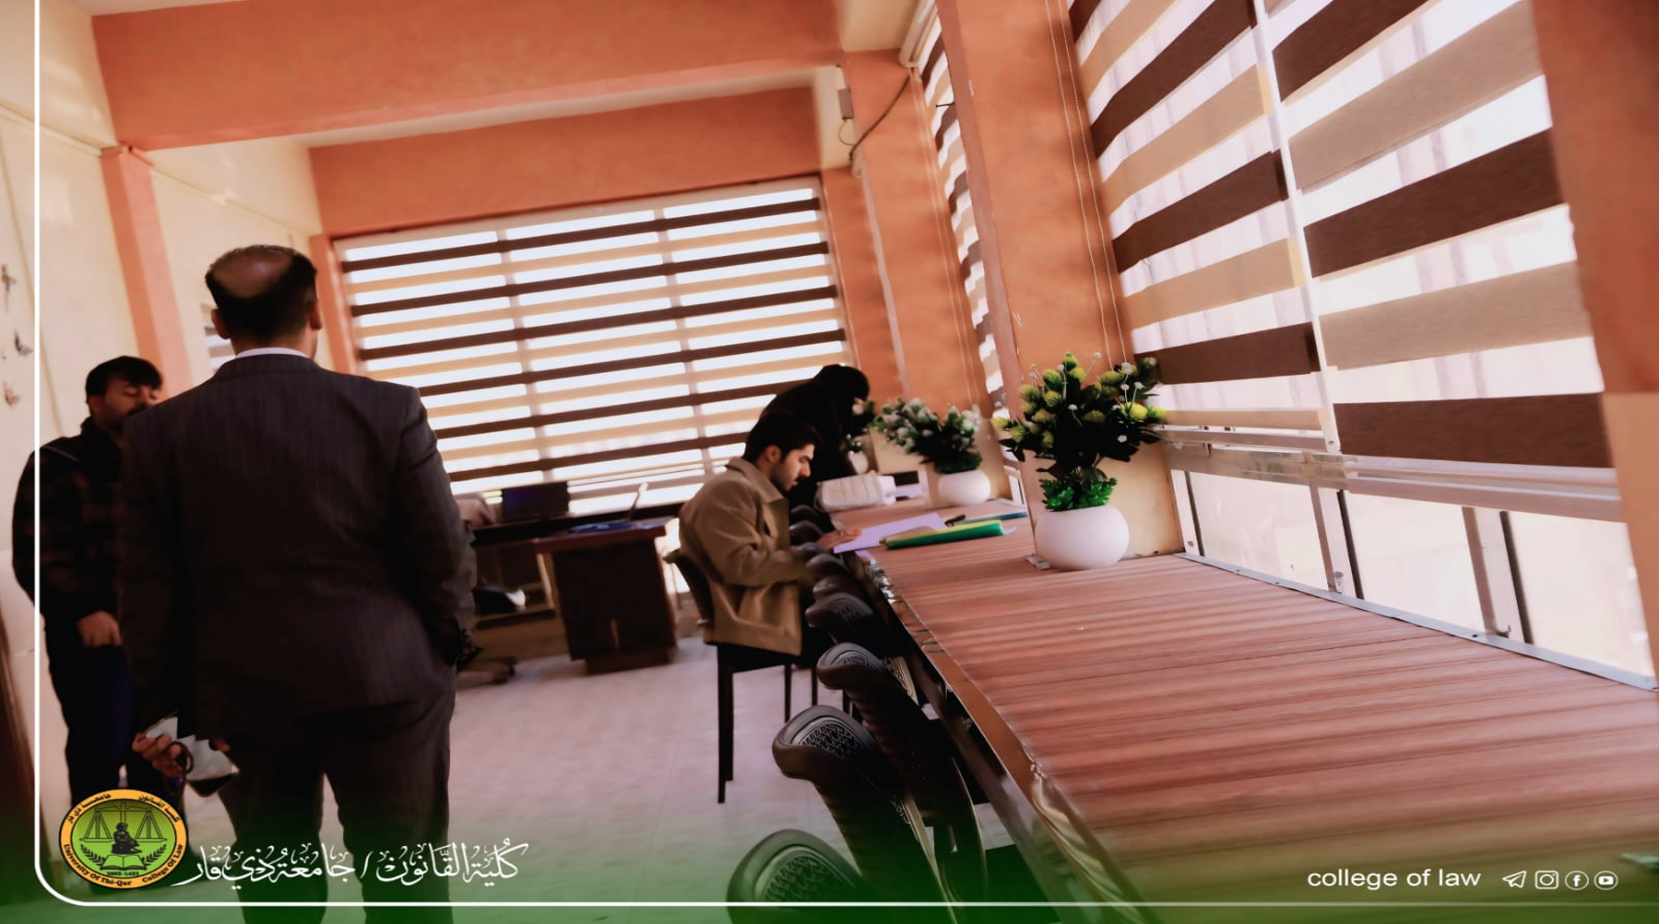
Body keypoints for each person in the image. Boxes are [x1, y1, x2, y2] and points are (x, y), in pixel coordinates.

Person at [124, 245, 475, 924]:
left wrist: (165, 715)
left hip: (236, 695)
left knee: (274, 873)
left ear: (219, 323)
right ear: (315, 312)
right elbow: (441, 550)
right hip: (386, 676)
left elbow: (146, 585)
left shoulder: (156, 433)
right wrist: (446, 648)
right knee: (404, 867)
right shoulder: (387, 408)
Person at [9, 356, 179, 810]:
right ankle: (99, 852)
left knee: (165, 748)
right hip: (93, 636)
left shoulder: (163, 464)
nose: (146, 401)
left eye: (154, 393)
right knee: (100, 747)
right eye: (131, 391)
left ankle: (169, 845)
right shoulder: (57, 462)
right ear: (96, 401)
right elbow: (37, 550)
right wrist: (81, 609)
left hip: (162, 636)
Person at [678, 412, 860, 659]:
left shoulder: (742, 487)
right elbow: (743, 567)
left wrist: (815, 551)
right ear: (773, 453)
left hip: (767, 606)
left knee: (858, 609)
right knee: (868, 629)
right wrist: (812, 552)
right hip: (754, 622)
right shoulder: (731, 490)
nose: (806, 472)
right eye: (802, 460)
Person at [762, 364, 871, 507]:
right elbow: (830, 453)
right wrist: (859, 488)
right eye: (853, 404)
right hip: (789, 478)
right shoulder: (821, 398)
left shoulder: (802, 393)